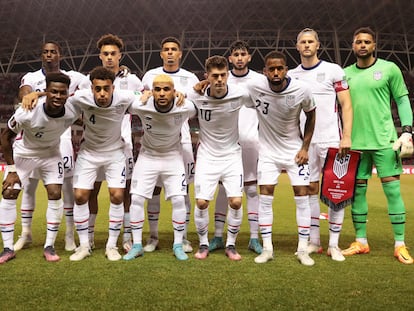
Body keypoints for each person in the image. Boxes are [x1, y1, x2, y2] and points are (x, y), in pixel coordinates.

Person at [341, 27, 414, 264]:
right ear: (352, 45)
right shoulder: (344, 74)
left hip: (385, 141)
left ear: (374, 45)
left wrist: (407, 131)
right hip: (355, 143)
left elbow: (402, 99)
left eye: (367, 42)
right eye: (358, 41)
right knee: (358, 192)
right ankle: (360, 241)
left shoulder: (389, 69)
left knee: (392, 191)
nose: (362, 45)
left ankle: (400, 244)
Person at [0, 72, 79, 264]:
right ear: (46, 92)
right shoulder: (27, 111)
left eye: (62, 93)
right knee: (10, 192)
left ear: (68, 94)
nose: (58, 96)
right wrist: (10, 169)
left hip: (51, 155)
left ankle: (49, 246)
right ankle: (8, 248)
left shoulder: (72, 109)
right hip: (24, 155)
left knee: (55, 193)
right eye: (53, 92)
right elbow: (5, 137)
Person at [246, 51, 316, 265]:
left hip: (295, 152)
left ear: (286, 69)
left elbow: (312, 115)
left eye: (280, 68)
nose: (276, 72)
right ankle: (267, 249)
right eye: (271, 69)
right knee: (265, 197)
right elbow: (227, 91)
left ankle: (303, 249)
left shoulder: (301, 89)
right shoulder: (255, 87)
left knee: (302, 195)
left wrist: (305, 147)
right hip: (267, 153)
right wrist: (203, 85)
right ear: (264, 71)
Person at [14, 41, 85, 252]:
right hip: (34, 137)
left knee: (67, 188)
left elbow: (93, 87)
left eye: (53, 52)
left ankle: (70, 235)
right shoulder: (31, 77)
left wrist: (123, 71)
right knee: (29, 187)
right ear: (41, 55)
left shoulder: (74, 77)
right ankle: (26, 233)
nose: (49, 55)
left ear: (59, 55)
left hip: (61, 138)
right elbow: (24, 95)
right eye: (45, 52)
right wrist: (33, 94)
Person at [289, 28, 353, 262]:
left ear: (318, 45)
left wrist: (346, 136)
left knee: (336, 191)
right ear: (297, 46)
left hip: (331, 140)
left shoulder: (333, 70)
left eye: (310, 42)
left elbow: (346, 105)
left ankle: (334, 245)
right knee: (308, 190)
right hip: (305, 143)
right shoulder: (291, 76)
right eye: (302, 42)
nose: (306, 45)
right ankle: (314, 241)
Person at [79, 34, 144, 253]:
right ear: (100, 56)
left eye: (113, 54)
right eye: (105, 54)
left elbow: (144, 100)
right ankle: (89, 237)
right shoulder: (90, 80)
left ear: (120, 56)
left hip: (123, 145)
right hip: (95, 144)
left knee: (123, 193)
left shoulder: (132, 80)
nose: (109, 57)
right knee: (91, 191)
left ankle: (125, 237)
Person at [123, 74, 196, 261]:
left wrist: (184, 94)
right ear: (151, 91)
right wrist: (140, 92)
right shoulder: (140, 103)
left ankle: (178, 244)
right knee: (137, 199)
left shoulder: (185, 106)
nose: (162, 93)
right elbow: (119, 93)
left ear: (174, 91)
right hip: (148, 156)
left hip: (173, 157)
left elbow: (202, 97)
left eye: (166, 89)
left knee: (180, 200)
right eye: (157, 89)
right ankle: (137, 244)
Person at [141, 37, 199, 253]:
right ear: (161, 53)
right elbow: (141, 98)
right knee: (153, 190)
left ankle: (183, 238)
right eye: (166, 49)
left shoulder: (189, 77)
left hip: (181, 141)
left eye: (174, 49)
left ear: (180, 53)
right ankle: (153, 236)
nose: (170, 53)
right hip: (155, 142)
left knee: (182, 192)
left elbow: (195, 106)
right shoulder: (150, 75)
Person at [188, 55, 247, 261]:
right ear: (207, 77)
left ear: (228, 75)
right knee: (202, 202)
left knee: (237, 202)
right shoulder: (196, 96)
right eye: (215, 76)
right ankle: (203, 243)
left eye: (223, 75)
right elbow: (179, 100)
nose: (219, 79)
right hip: (207, 156)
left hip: (232, 155)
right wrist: (193, 88)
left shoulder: (239, 94)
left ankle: (230, 244)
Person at [208, 40, 263, 254]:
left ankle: (254, 238)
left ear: (249, 57)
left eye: (243, 54)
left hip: (251, 143)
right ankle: (218, 236)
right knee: (223, 189)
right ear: (230, 58)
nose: (239, 57)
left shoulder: (259, 80)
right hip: (226, 144)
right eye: (236, 54)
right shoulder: (221, 78)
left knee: (251, 190)